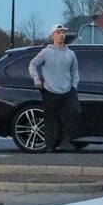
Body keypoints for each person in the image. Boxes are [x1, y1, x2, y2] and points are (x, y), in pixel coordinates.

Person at [28, 24, 82, 152]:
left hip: (68, 91)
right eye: (58, 33)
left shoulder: (70, 54)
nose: (61, 35)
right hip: (50, 91)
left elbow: (75, 72)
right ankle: (50, 145)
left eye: (63, 33)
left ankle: (66, 140)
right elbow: (33, 65)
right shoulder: (46, 52)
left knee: (75, 113)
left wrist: (74, 86)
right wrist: (36, 78)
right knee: (51, 119)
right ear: (53, 36)